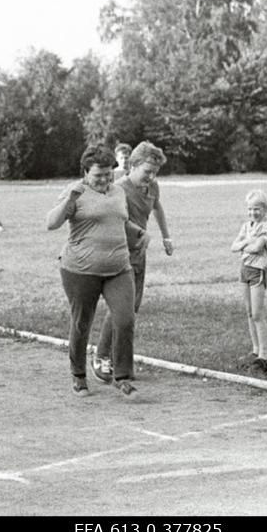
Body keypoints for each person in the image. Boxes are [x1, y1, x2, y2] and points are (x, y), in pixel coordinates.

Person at [46, 144, 138, 398]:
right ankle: (78, 375)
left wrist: (137, 232)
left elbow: (119, 219)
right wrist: (70, 199)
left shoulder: (118, 191)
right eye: (98, 174)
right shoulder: (75, 192)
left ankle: (122, 377)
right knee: (81, 323)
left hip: (119, 268)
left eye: (108, 173)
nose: (104, 179)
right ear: (85, 172)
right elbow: (51, 223)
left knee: (125, 319)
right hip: (80, 270)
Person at [92, 140, 174, 383]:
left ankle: (118, 360)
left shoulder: (152, 186)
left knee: (132, 309)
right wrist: (137, 233)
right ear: (133, 165)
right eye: (147, 171)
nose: (151, 176)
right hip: (119, 254)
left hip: (139, 255)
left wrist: (166, 236)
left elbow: (157, 207)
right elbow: (109, 221)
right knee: (121, 308)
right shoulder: (118, 189)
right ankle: (101, 356)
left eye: (155, 172)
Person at [230, 189, 267, 372]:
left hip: (258, 271)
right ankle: (255, 349)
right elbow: (233, 247)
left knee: (257, 313)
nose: (252, 213)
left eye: (257, 209)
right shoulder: (247, 226)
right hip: (245, 270)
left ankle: (264, 353)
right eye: (249, 209)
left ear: (264, 209)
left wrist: (245, 244)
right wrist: (247, 241)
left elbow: (257, 248)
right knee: (249, 312)